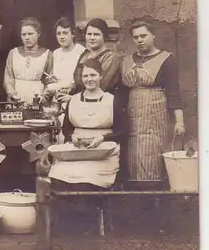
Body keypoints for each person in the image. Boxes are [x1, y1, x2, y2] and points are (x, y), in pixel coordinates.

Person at [121, 17, 185, 189]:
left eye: (143, 36)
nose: (139, 40)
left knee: (155, 155)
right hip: (133, 115)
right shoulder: (127, 60)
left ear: (153, 35)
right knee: (135, 155)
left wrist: (179, 122)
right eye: (136, 37)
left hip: (157, 115)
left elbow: (174, 92)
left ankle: (157, 197)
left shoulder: (166, 59)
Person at [49, 59, 125, 191]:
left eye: (93, 75)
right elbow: (67, 128)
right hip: (77, 150)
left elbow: (123, 130)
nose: (89, 79)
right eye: (85, 76)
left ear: (101, 76)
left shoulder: (112, 100)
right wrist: (72, 137)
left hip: (104, 152)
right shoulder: (74, 100)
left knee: (88, 181)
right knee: (58, 176)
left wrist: (102, 138)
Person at [50, 17, 87, 143]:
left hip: (74, 97)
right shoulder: (55, 53)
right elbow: (51, 77)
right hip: (57, 100)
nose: (61, 37)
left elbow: (83, 78)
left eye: (65, 33)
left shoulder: (82, 52)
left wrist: (71, 87)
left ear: (73, 34)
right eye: (58, 33)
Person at [4, 17, 56, 105]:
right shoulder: (13, 53)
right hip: (16, 99)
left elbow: (50, 80)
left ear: (38, 34)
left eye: (30, 34)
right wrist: (13, 95)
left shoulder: (47, 54)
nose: (27, 37)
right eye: (24, 34)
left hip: (38, 99)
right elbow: (8, 78)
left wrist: (43, 96)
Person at [71, 18, 121, 95]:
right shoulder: (85, 55)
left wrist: (77, 98)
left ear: (104, 36)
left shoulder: (110, 57)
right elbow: (78, 82)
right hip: (81, 99)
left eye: (96, 34)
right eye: (89, 34)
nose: (92, 38)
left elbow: (101, 85)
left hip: (101, 101)